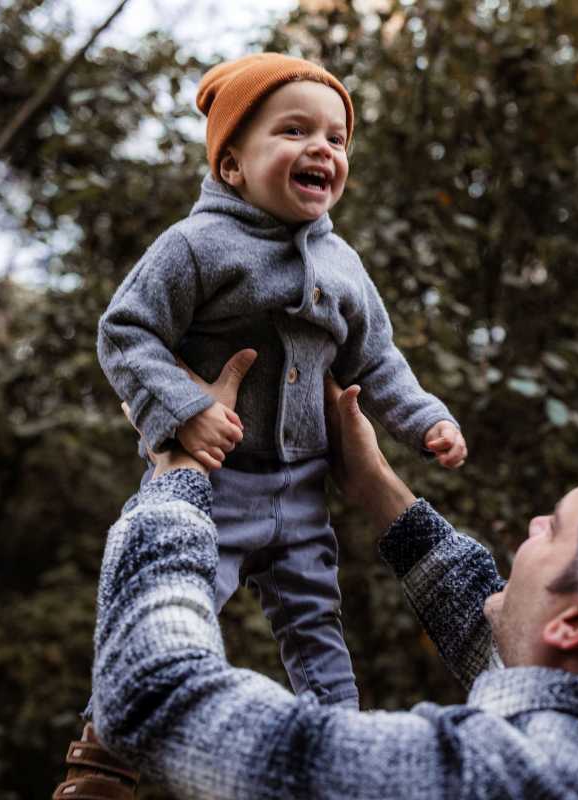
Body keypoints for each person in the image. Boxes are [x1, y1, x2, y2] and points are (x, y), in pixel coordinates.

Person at [77, 352, 578, 799]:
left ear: (577, 619)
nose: (531, 530)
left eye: (555, 527)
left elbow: (152, 695)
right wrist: (377, 486)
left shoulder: (479, 781)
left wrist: (175, 481)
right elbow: (515, 646)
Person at [94, 52, 466, 710]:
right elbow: (125, 331)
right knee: (171, 603)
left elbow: (376, 360)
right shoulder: (195, 245)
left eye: (335, 137)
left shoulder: (342, 263)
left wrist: (423, 419)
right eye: (294, 131)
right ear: (232, 164)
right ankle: (105, 747)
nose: (321, 147)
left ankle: (338, 741)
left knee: (316, 623)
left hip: (303, 491)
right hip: (214, 481)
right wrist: (183, 409)